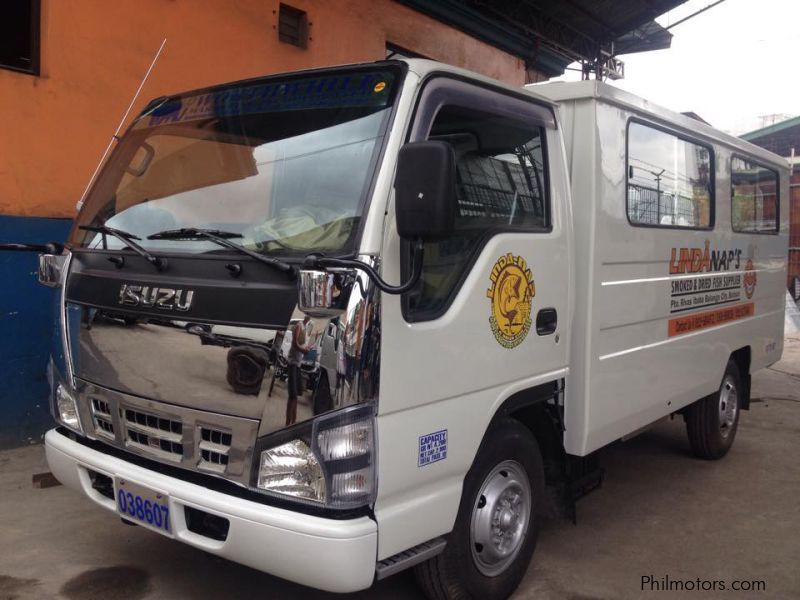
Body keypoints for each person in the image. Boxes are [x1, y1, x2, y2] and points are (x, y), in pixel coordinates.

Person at [286, 316, 311, 426]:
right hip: (292, 363)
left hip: (298, 365)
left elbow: (301, 344)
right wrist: (303, 350)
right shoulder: (299, 326)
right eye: (308, 314)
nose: (309, 316)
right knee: (292, 395)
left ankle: (293, 422)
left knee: (295, 395)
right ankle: (288, 423)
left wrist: (306, 349)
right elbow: (294, 343)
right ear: (305, 314)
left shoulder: (305, 328)